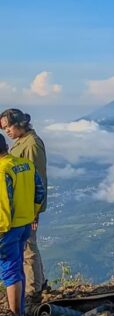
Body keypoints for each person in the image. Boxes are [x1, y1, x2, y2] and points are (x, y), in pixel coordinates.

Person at [0, 109, 48, 301]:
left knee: (28, 249)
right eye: (4, 129)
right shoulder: (21, 142)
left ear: (20, 123)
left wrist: (36, 212)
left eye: (9, 127)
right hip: (24, 208)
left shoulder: (32, 144)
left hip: (25, 210)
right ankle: (36, 283)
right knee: (26, 248)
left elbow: (39, 180)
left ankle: (32, 290)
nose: (7, 132)